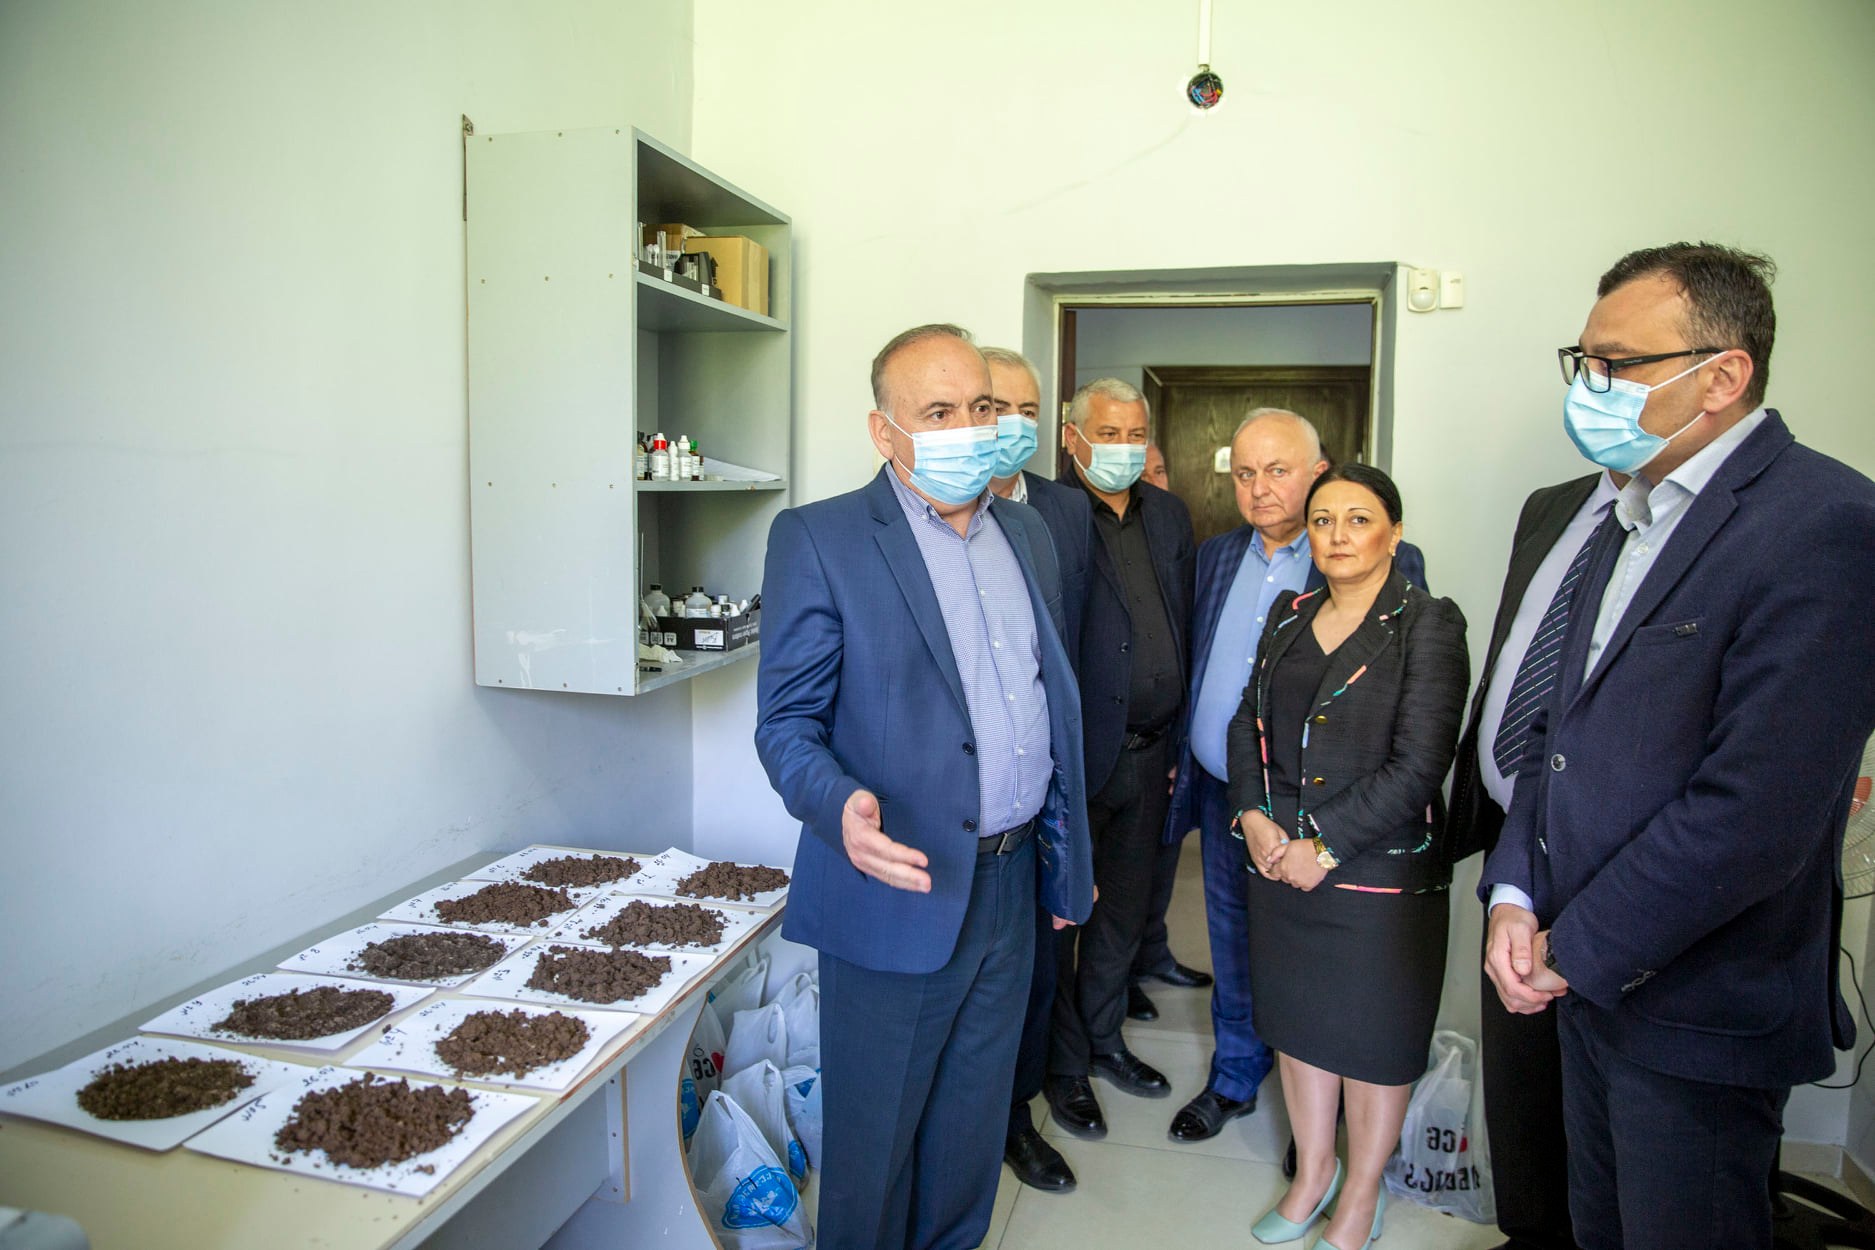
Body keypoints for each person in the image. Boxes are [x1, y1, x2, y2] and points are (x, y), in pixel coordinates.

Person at [1482, 243, 1875, 1250]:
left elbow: (1752, 816)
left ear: (1723, 375)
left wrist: (1570, 947)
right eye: (1583, 360)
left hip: (1695, 1011)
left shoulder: (1825, 524)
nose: (1590, 385)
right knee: (1596, 1227)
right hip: (1580, 986)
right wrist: (1516, 893)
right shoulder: (1626, 515)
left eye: (1617, 363)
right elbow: (1551, 733)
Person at [754, 323, 1094, 1250]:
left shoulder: (1025, 532)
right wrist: (838, 808)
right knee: (876, 1145)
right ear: (884, 430)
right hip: (896, 882)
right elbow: (785, 724)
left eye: (980, 407)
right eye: (938, 412)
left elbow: (1045, 703)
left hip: (1012, 881)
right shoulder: (821, 538)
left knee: (970, 1129)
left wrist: (1065, 862)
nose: (968, 429)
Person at [1161, 411, 1429, 1144]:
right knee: (1233, 942)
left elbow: (1395, 699)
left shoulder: (1370, 556)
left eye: (1277, 471)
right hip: (1227, 796)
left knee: (1322, 965)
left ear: (1318, 472)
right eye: (1244, 474)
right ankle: (1234, 1077)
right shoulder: (1216, 555)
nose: (1259, 489)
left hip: (1324, 813)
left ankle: (1321, 1122)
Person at [1229, 462, 1467, 1250]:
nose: (1336, 535)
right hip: (1279, 863)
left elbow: (1419, 764)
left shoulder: (1428, 623)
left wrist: (1323, 845)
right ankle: (1312, 1175)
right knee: (1298, 1028)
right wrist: (1252, 816)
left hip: (1376, 871)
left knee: (1372, 1041)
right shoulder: (1289, 614)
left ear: (1393, 533)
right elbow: (1245, 724)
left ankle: (1360, 1196)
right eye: (1322, 520)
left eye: (1357, 519)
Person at [1445, 466, 1614, 1250]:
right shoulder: (1553, 507)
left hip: (1610, 852)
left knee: (1608, 1098)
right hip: (1513, 835)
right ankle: (1529, 1231)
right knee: (1519, 1070)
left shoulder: (1705, 521)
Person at [1045, 378, 1195, 1141]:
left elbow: (1184, 619)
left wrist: (1180, 738)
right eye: (1107, 434)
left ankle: (1104, 1040)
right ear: (1070, 438)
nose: (1124, 449)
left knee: (1122, 913)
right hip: (1074, 760)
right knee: (1063, 919)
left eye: (1135, 435)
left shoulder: (1167, 514)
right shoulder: (1045, 513)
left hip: (1151, 752)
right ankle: (1063, 1065)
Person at [982, 345, 1096, 1195]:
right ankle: (964, 1124)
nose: (1009, 426)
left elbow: (1071, 646)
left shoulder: (1059, 513)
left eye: (1027, 410)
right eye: (994, 408)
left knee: (1034, 973)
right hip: (951, 806)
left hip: (1040, 797)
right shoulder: (912, 517)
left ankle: (1017, 1119)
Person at [1128, 436, 1213, 1025]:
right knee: (1124, 876)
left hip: (1170, 733)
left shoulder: (1176, 534)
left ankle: (1153, 953)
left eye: (1159, 469)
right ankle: (1123, 975)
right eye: (1144, 472)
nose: (1154, 481)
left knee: (1161, 857)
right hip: (1121, 744)